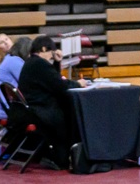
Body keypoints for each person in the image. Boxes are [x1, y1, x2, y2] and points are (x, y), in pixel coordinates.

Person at [17, 35, 87, 169]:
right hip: (41, 111)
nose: (51, 56)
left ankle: (60, 156)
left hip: (31, 109)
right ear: (44, 49)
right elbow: (59, 85)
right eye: (51, 53)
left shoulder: (32, 62)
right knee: (69, 115)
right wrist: (78, 83)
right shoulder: (39, 64)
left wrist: (56, 62)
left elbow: (53, 79)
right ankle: (64, 157)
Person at [0, 36, 31, 121]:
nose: (6, 43)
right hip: (5, 111)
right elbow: (29, 82)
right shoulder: (14, 61)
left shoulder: (8, 59)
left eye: (6, 39)